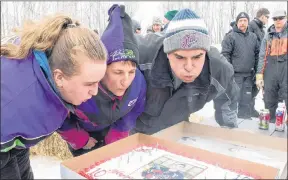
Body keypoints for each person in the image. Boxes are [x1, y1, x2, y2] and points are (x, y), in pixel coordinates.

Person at [0, 14, 107, 179]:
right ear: (59, 77)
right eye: (89, 84)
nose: (95, 92)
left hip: (16, 142)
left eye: (99, 82)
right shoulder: (17, 102)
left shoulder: (57, 66)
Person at [133, 9, 239, 135]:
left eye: (197, 57)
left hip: (178, 130)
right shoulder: (143, 55)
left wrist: (229, 130)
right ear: (167, 53)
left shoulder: (219, 69)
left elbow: (229, 98)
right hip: (138, 131)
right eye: (179, 57)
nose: (189, 67)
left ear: (205, 52)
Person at [59, 4, 146, 157]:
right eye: (118, 72)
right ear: (102, 68)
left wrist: (119, 132)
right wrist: (80, 140)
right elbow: (60, 116)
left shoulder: (138, 80)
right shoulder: (83, 83)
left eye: (131, 71)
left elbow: (135, 109)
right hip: (83, 135)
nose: (126, 81)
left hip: (113, 132)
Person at [221, 12, 260, 119]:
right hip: (235, 75)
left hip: (249, 75)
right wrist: (229, 72)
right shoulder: (230, 36)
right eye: (240, 21)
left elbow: (257, 55)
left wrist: (257, 72)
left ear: (248, 22)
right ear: (237, 22)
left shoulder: (253, 37)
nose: (242, 23)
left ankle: (244, 117)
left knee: (246, 99)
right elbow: (225, 55)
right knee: (233, 99)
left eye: (245, 21)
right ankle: (230, 120)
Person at [256, 10, 287, 123]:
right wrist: (259, 75)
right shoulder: (268, 35)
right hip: (271, 71)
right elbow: (262, 56)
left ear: (286, 18)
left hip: (285, 71)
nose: (278, 20)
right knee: (269, 99)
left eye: (280, 18)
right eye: (275, 18)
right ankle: (272, 126)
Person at [249, 8, 270, 117]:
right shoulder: (252, 26)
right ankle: (248, 109)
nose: (268, 19)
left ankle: (250, 108)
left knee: (256, 88)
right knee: (251, 88)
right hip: (252, 64)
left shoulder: (261, 29)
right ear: (262, 16)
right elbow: (249, 46)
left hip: (259, 63)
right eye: (267, 17)